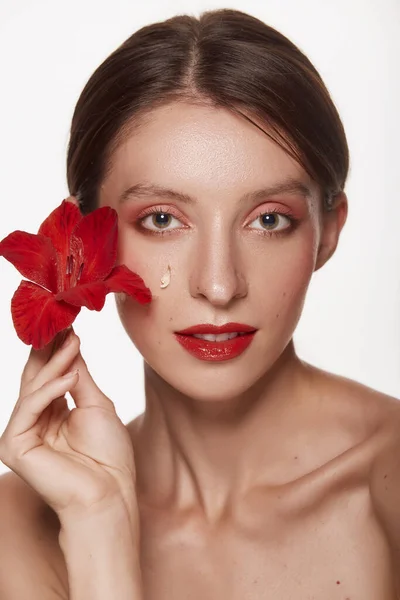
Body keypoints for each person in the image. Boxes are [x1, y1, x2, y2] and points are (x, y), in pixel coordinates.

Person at [0, 7, 399, 600]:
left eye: (269, 219)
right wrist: (99, 530)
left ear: (328, 231)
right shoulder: (22, 524)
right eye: (162, 219)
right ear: (86, 239)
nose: (219, 284)